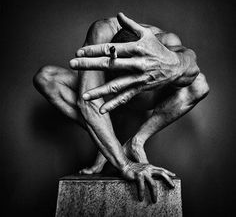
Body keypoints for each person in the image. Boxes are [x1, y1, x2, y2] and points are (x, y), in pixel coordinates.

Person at [33, 13, 209, 203]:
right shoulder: (101, 32)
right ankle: (109, 138)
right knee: (46, 78)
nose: (123, 82)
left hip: (147, 97)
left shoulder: (166, 41)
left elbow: (191, 64)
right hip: (104, 97)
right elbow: (88, 102)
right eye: (118, 72)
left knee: (199, 85)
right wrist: (125, 165)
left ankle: (136, 141)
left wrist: (178, 63)